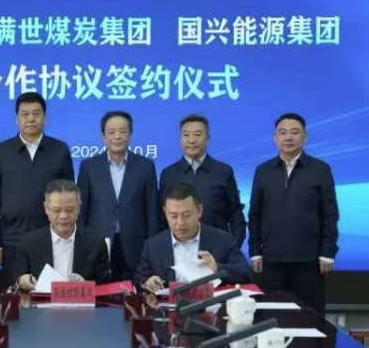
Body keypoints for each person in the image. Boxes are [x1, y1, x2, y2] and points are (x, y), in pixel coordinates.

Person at [248, 113, 339, 314]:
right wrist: (255, 251)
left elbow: (330, 214)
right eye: (282, 133)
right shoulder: (263, 171)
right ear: (275, 138)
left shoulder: (320, 170)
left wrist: (327, 252)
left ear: (304, 137)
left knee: (310, 317)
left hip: (309, 261)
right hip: (271, 261)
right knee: (272, 317)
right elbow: (255, 214)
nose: (288, 137)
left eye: (295, 132)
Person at [0, 92, 75, 287]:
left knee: (48, 294)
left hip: (50, 238)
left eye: (36, 113)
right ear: (17, 119)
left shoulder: (60, 149)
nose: (31, 119)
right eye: (25, 114)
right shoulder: (2, 151)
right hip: (11, 239)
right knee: (13, 294)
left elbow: (70, 196)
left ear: (45, 117)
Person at [77, 111, 159, 282]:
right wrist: (82, 243)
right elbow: (82, 210)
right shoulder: (89, 167)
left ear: (130, 134)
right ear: (103, 136)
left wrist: (152, 248)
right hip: (99, 242)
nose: (117, 137)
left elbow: (152, 210)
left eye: (122, 131)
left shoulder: (145, 166)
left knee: (136, 293)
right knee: (101, 292)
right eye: (112, 132)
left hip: (135, 244)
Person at [135, 183, 253, 292]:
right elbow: (140, 279)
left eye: (187, 215)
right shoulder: (153, 246)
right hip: (168, 306)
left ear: (199, 211)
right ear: (165, 212)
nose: (180, 222)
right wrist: (147, 283)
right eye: (174, 216)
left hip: (213, 305)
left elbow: (246, 273)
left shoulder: (223, 239)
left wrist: (217, 267)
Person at [159, 114, 246, 246]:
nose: (192, 140)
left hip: (217, 248)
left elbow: (235, 214)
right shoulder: (169, 174)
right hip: (178, 249)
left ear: (207, 138)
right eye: (186, 135)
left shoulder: (223, 171)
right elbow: (161, 217)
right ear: (180, 139)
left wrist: (232, 248)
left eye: (197, 134)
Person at [14, 180, 110, 290]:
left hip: (81, 301)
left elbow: (105, 287)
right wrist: (21, 281)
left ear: (79, 207)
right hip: (41, 301)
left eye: (69, 210)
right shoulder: (29, 243)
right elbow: (17, 282)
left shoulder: (96, 243)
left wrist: (86, 286)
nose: (63, 216)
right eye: (57, 210)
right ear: (46, 208)